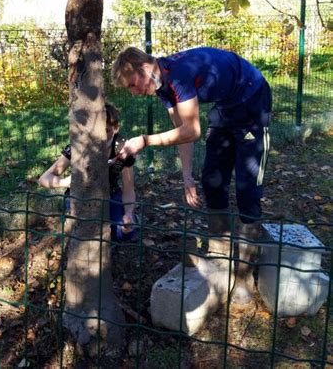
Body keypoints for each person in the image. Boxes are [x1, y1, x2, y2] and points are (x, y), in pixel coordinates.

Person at [111, 46, 272, 304]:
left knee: (247, 185)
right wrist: (187, 177)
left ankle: (243, 274)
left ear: (144, 68)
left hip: (252, 99)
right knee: (212, 179)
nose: (134, 92)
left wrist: (145, 140)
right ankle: (222, 258)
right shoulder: (162, 86)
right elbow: (181, 131)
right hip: (226, 107)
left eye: (132, 84)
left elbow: (193, 130)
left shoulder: (178, 75)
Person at [38, 102, 138, 242]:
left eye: (107, 130)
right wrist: (65, 182)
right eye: (97, 131)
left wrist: (128, 213)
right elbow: (44, 178)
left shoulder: (123, 148)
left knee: (125, 233)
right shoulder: (79, 146)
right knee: (85, 232)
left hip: (110, 193)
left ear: (115, 128)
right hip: (81, 195)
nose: (101, 137)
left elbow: (128, 189)